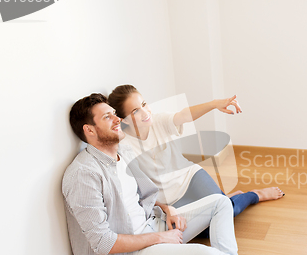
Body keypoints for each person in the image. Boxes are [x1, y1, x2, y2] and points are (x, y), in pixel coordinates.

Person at [62, 93, 307, 255]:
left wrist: (167, 208)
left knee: (220, 202)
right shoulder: (83, 174)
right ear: (89, 131)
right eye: (108, 117)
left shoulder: (119, 154)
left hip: (155, 225)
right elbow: (102, 244)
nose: (117, 121)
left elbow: (142, 195)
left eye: (115, 113)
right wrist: (159, 238)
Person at [107, 85, 284, 219]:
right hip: (170, 199)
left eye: (144, 104)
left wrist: (215, 104)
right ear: (125, 120)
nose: (146, 112)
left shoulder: (159, 121)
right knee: (208, 227)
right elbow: (139, 189)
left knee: (226, 211)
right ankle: (227, 197)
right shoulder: (124, 146)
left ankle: (254, 195)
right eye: (136, 111)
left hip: (191, 177)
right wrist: (164, 209)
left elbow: (184, 115)